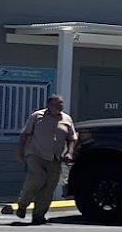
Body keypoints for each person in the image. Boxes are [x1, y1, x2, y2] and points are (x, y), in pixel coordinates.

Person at [11, 94, 77, 225]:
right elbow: (25, 134)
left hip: (55, 158)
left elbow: (72, 138)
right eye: (58, 104)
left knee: (49, 187)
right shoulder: (37, 117)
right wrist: (20, 151)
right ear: (50, 105)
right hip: (36, 154)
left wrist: (69, 152)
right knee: (36, 178)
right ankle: (23, 204)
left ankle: (39, 215)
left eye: (62, 104)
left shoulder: (66, 119)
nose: (61, 106)